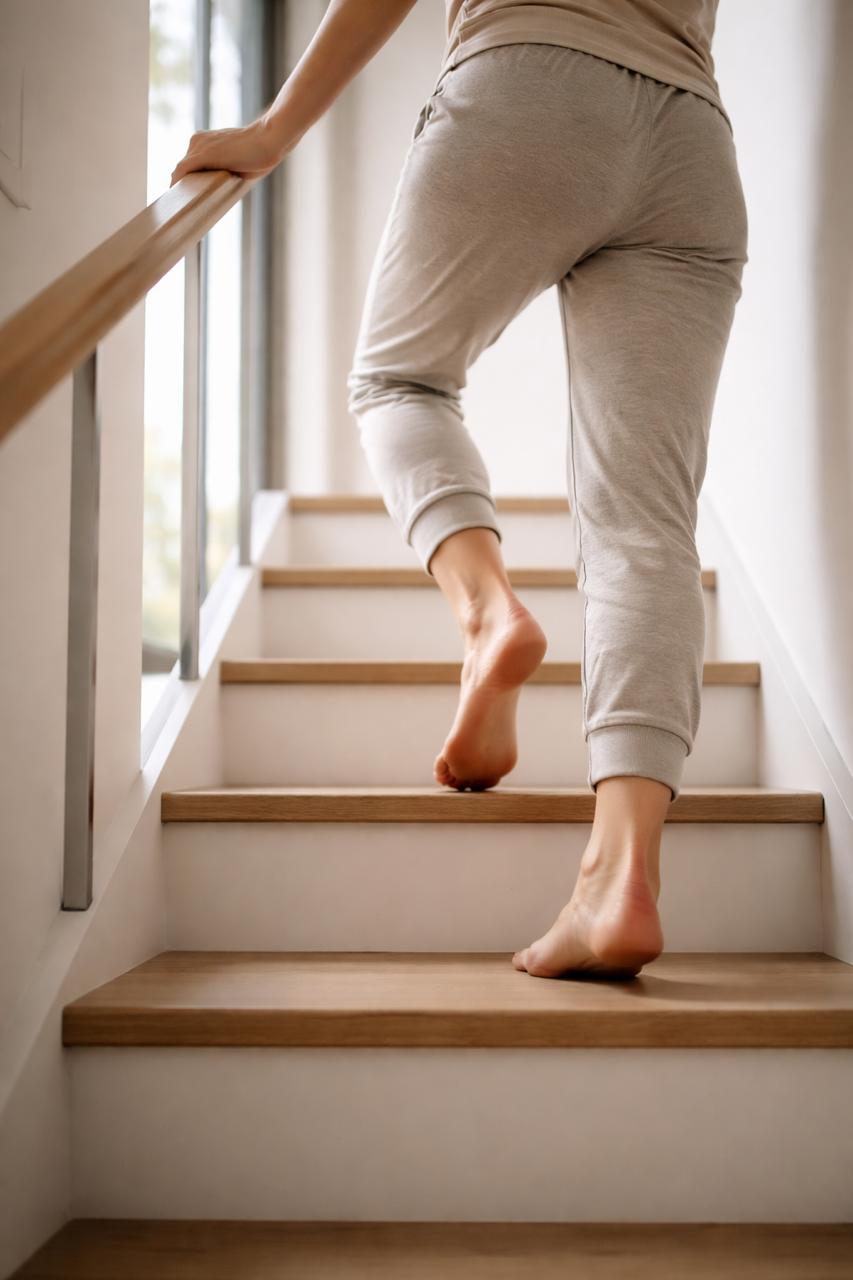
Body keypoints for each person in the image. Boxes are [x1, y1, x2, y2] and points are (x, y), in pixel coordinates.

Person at [171, 0, 748, 981]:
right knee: (644, 525)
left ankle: (487, 613)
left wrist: (276, 130)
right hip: (692, 134)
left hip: (526, 81)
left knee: (397, 380)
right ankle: (621, 878)